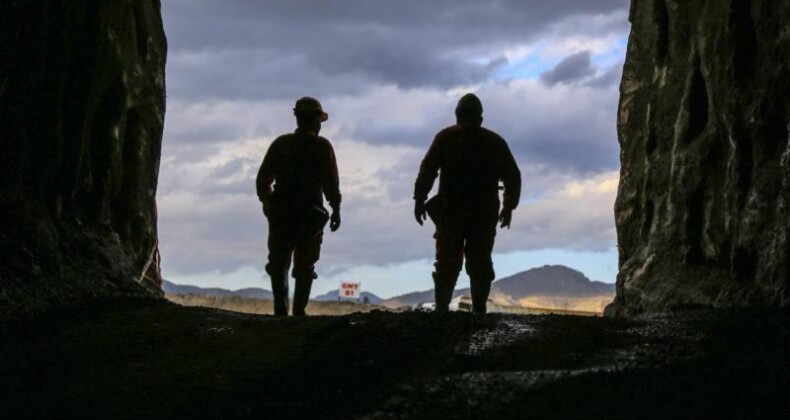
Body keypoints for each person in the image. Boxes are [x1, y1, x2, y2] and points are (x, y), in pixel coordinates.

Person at [413, 93, 521, 314]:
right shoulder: (493, 142)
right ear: (481, 118)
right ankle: (476, 309)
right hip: (478, 215)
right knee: (476, 262)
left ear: (457, 116)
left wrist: (420, 199)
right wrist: (508, 207)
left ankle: (444, 309)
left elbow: (428, 171)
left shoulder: (446, 138)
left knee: (450, 262)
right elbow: (512, 176)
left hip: (455, 214)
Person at [256, 97, 341, 316]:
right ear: (315, 120)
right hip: (310, 216)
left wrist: (269, 204)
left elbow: (262, 181)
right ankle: (298, 313)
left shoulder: (281, 144)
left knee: (279, 263)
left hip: (282, 215)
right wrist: (336, 210)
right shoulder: (322, 147)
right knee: (305, 266)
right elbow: (331, 184)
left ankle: (280, 312)